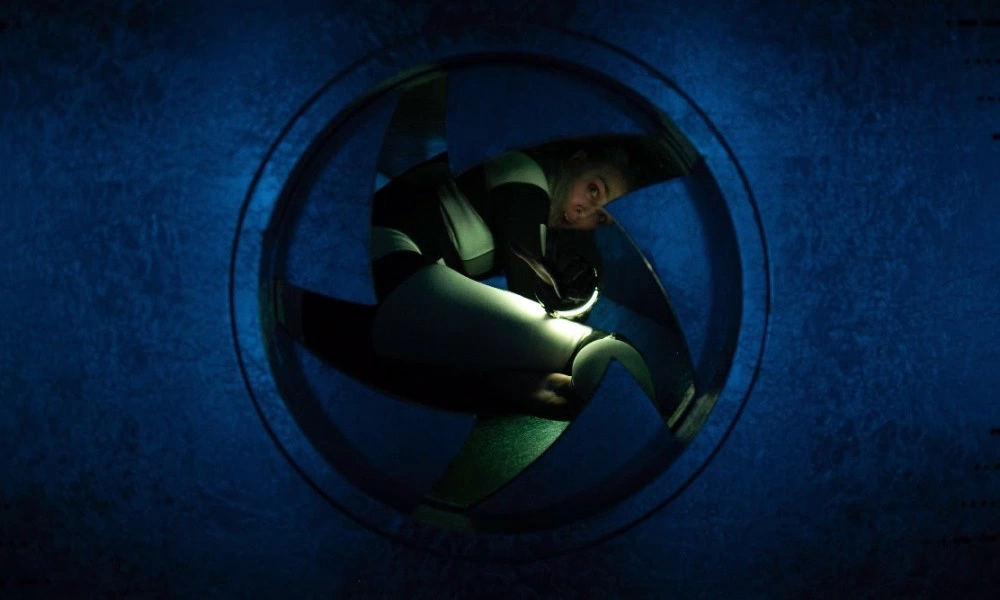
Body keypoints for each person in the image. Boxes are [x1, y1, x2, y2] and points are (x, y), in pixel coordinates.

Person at [357, 136, 656, 418]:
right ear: (576, 161)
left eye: (601, 218)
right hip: (377, 262)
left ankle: (502, 386)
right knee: (599, 349)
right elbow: (528, 298)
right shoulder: (522, 170)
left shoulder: (539, 208)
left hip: (381, 297)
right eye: (593, 190)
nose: (584, 213)